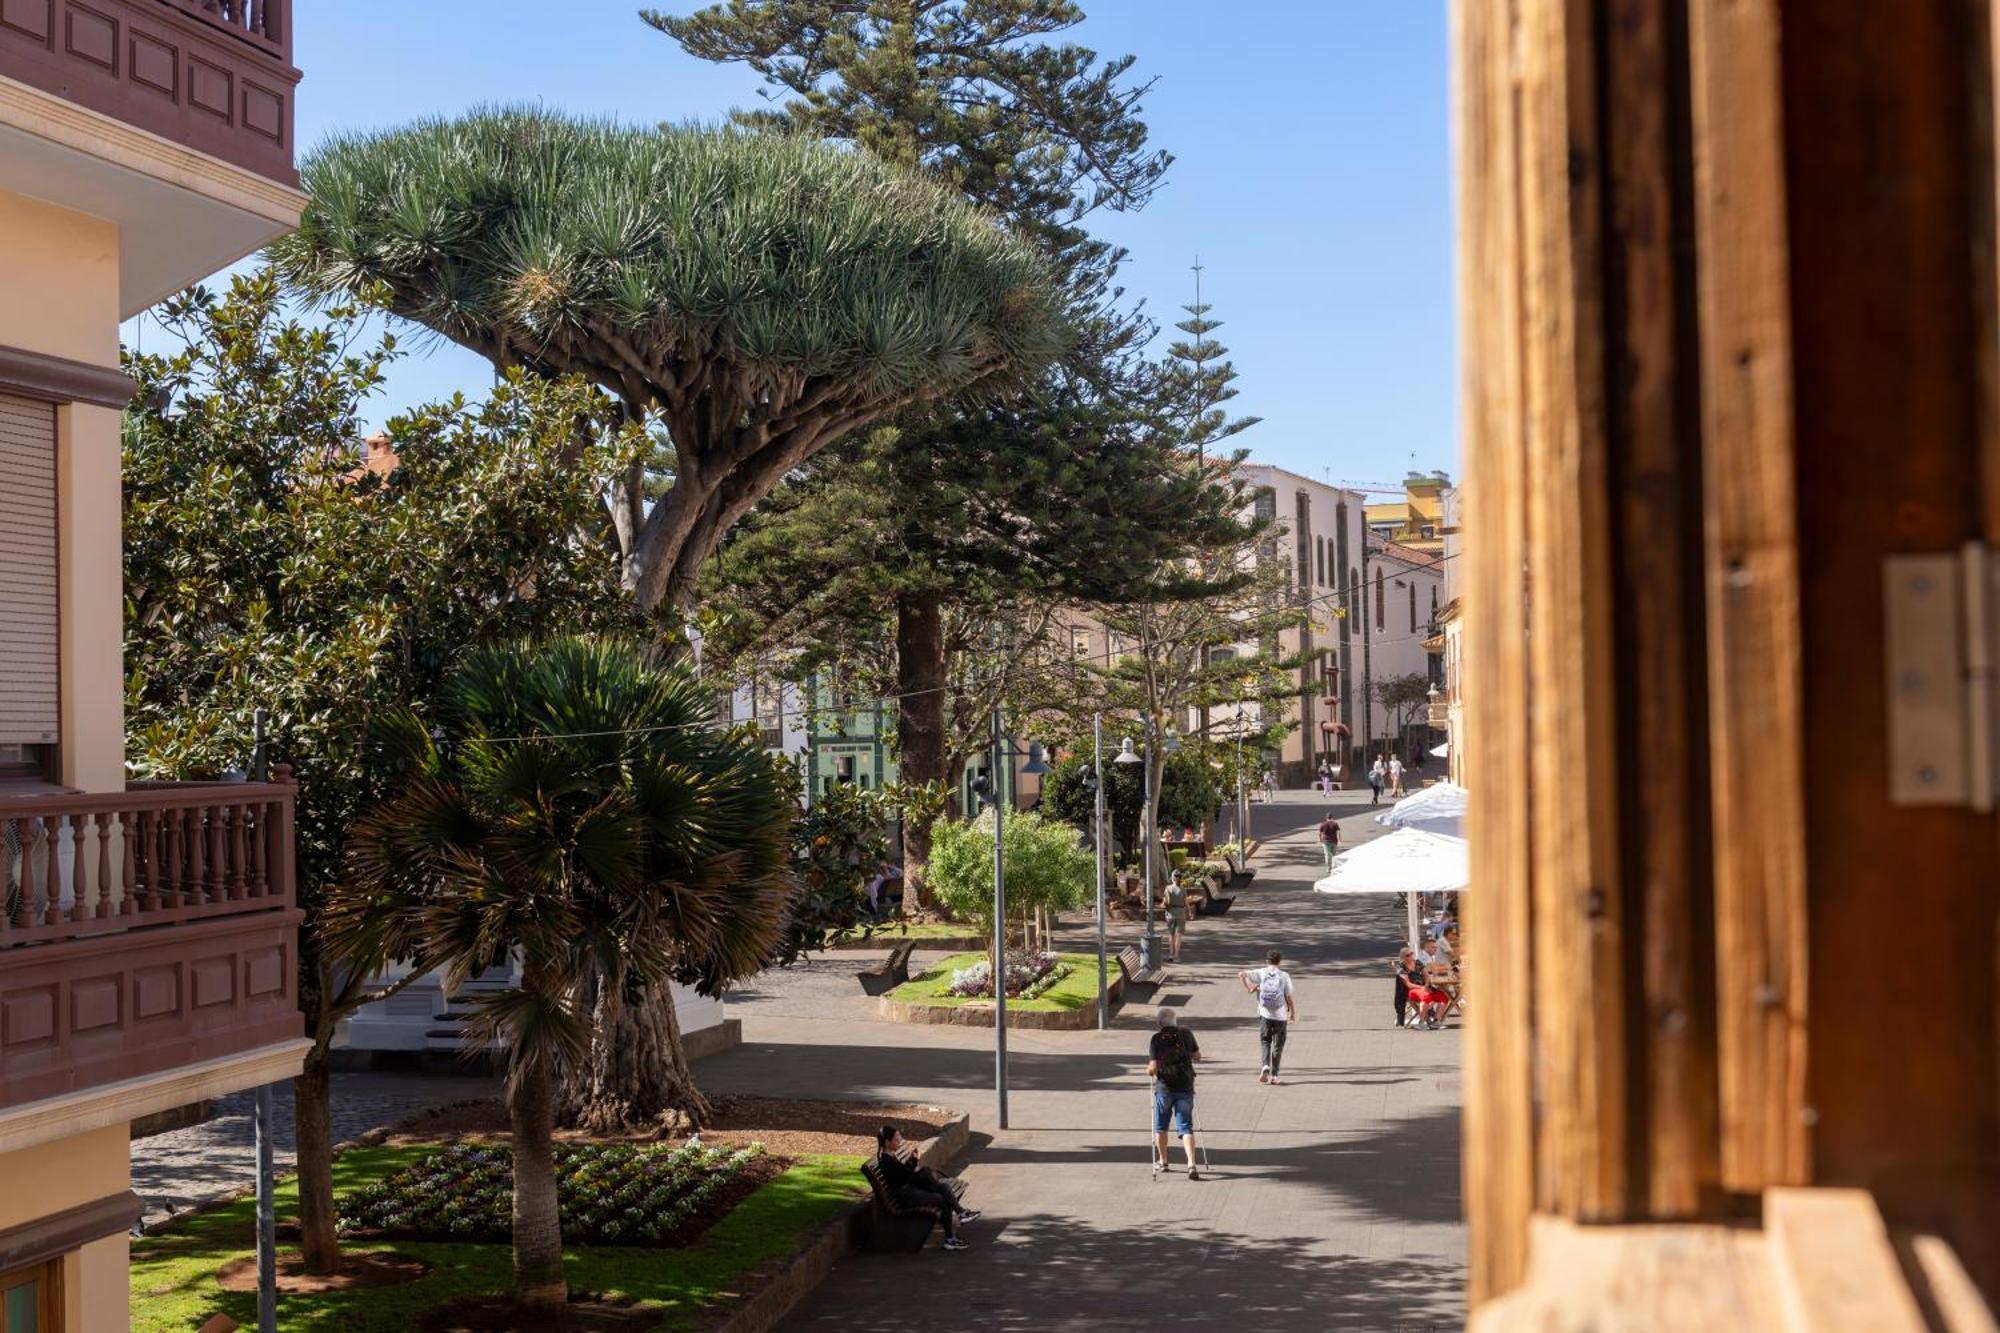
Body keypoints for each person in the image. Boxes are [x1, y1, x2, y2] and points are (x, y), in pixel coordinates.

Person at [875, 1125, 979, 1249]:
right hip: (907, 1197)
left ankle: (958, 1222)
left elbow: (904, 1175)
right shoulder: (887, 1161)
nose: (899, 1142)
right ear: (887, 1142)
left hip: (910, 1191)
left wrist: (913, 1162)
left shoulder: (890, 1156)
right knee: (944, 1197)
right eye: (896, 1140)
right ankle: (953, 1233)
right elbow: (906, 1177)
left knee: (943, 1188)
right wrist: (914, 1162)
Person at [1148, 1006, 1204, 1179]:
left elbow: (1153, 1067)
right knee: (1186, 1127)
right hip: (1185, 1086)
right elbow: (1197, 1056)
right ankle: (1191, 1164)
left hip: (1164, 1088)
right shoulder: (1186, 1034)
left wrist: (1149, 1071)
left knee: (1161, 1126)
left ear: (1159, 1024)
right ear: (1175, 1021)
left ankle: (1163, 1162)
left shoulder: (1156, 1039)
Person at [1238, 949, 1297, 1084]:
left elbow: (1243, 974)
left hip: (1264, 1014)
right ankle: (1274, 1076)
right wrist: (1292, 1014)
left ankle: (1265, 1065)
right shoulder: (1284, 976)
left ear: (1267, 961)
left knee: (1265, 1041)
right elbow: (1289, 997)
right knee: (1278, 1045)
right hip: (1280, 1016)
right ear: (1279, 962)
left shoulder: (1261, 972)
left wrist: (1245, 980)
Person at [1163, 876, 1188, 963]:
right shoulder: (1183, 889)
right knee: (1179, 935)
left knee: (1171, 935)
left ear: (1172, 878)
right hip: (1181, 913)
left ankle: (1171, 954)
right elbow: (1186, 902)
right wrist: (1189, 913)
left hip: (1170, 913)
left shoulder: (1168, 888)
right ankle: (1176, 956)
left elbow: (1165, 901)